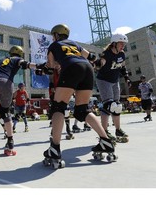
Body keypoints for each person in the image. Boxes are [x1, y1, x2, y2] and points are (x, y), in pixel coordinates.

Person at [42, 24, 116, 168]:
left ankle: (54, 148)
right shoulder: (74, 44)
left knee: (58, 107)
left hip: (70, 68)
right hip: (87, 68)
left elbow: (50, 65)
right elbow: (92, 57)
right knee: (82, 110)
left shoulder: (54, 45)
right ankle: (106, 141)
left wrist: (46, 67)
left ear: (56, 35)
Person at [94, 33, 131, 143]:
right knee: (108, 105)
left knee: (117, 106)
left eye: (124, 44)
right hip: (103, 81)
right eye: (121, 44)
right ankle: (104, 131)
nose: (122, 46)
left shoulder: (122, 54)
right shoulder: (106, 54)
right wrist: (99, 63)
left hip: (115, 81)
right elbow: (98, 64)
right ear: (114, 43)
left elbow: (123, 67)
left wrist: (127, 78)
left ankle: (118, 130)